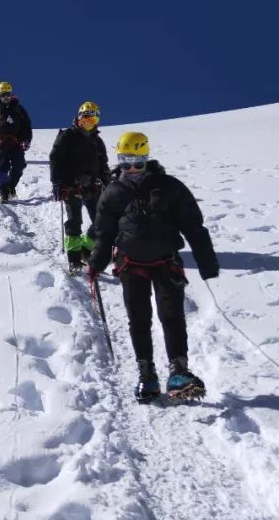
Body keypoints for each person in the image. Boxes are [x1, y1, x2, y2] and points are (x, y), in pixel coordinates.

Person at [87, 131, 220, 403]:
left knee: (172, 316)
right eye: (126, 162)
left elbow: (194, 226)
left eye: (138, 162)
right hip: (130, 264)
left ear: (147, 159)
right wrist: (96, 263)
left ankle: (179, 371)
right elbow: (104, 233)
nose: (132, 169)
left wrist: (207, 262)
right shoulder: (113, 193)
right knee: (139, 319)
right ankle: (146, 374)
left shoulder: (169, 187)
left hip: (166, 262)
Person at [49, 101, 111, 272]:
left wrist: (108, 184)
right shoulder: (67, 136)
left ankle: (85, 248)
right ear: (79, 118)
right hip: (70, 185)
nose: (89, 123)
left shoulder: (98, 142)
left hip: (93, 186)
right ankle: (74, 258)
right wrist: (56, 182)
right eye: (85, 118)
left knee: (102, 221)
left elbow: (104, 166)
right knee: (74, 220)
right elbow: (55, 158)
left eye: (93, 119)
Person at [0, 81, 33, 203]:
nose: (5, 97)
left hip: (16, 143)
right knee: (3, 166)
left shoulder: (19, 109)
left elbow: (26, 126)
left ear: (11, 94)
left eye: (7, 94)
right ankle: (4, 193)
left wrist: (27, 140)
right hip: (1, 142)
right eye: (3, 95)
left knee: (19, 166)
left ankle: (11, 186)